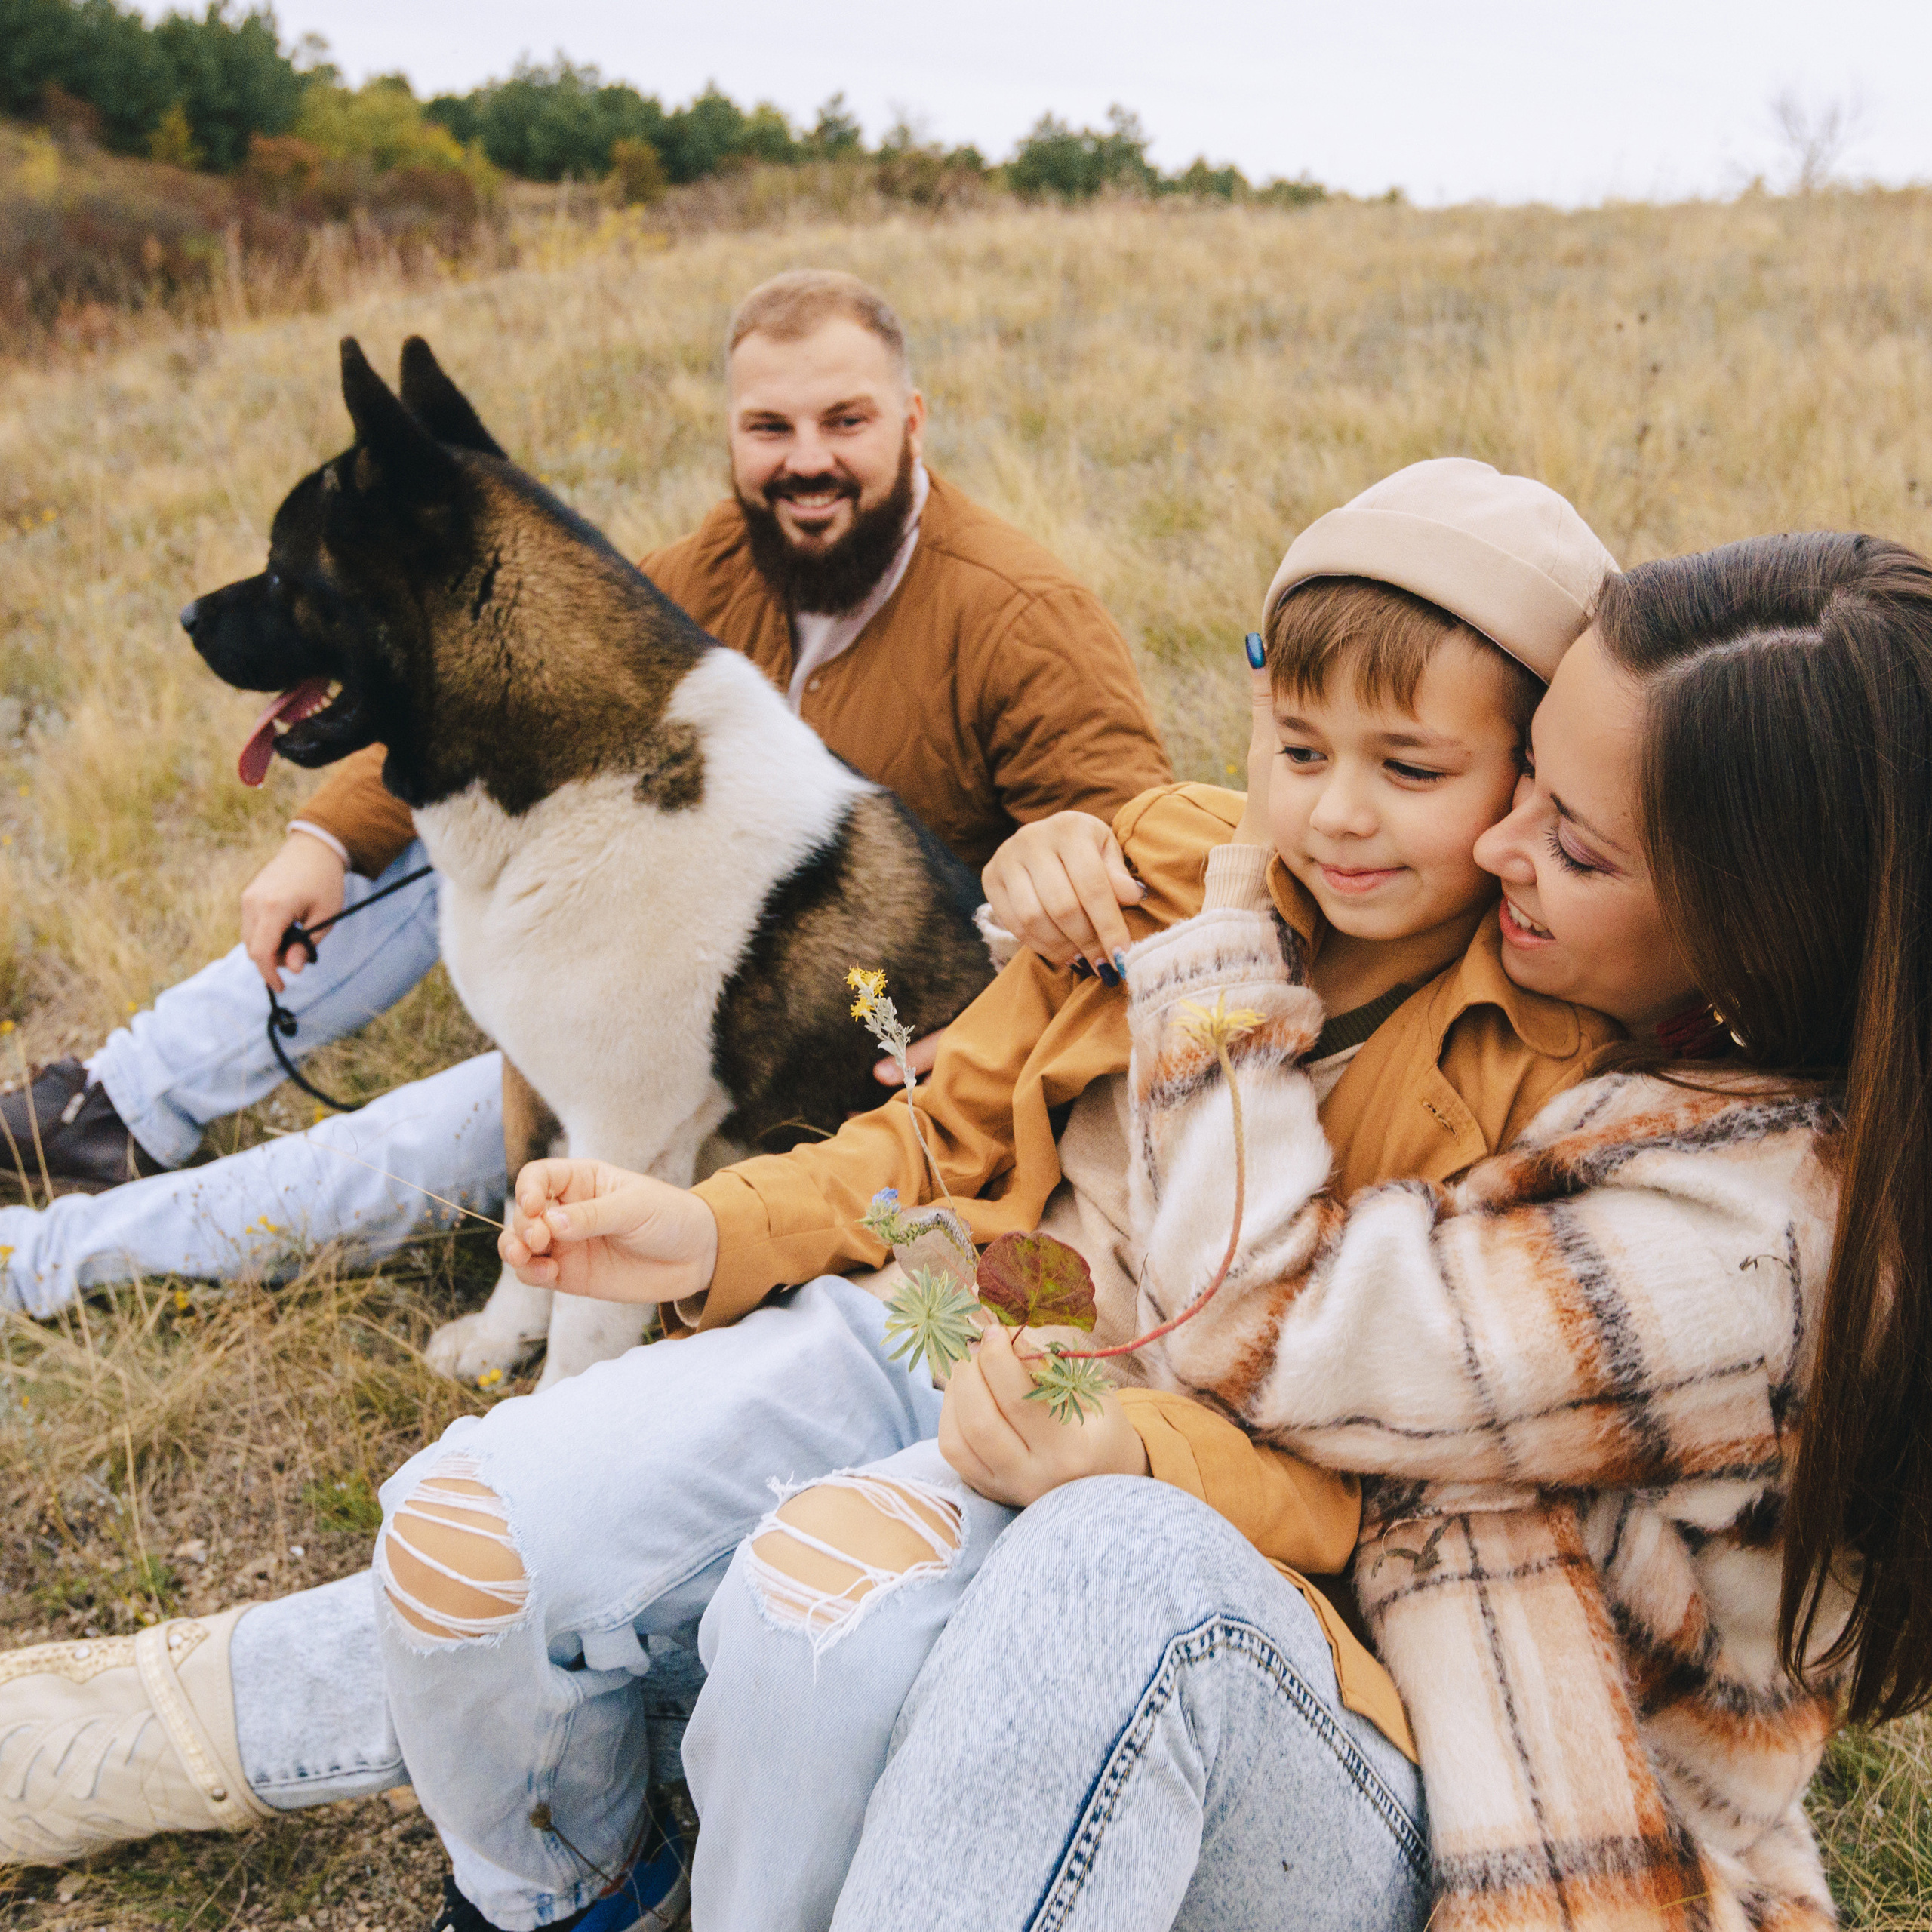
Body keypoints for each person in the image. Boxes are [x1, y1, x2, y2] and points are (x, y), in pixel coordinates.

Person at [0, 461, 1618, 1932]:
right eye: (1299, 748)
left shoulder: (1541, 1075)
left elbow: (1401, 1475)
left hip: (1138, 1476)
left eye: (1411, 767)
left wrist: (1121, 1446)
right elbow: (939, 1136)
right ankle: (576, 1890)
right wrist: (715, 1227)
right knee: (457, 1529)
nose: (1335, 811)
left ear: (1533, 777)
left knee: (808, 1631)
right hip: (950, 1307)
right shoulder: (1172, 854)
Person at [812, 531, 1932, 1932]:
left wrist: (1226, 918)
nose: (1501, 843)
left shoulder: (1755, 1252)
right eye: (1527, 778)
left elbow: (1256, 1318)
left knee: (1118, 1569)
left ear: (1764, 929)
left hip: (1550, 1861)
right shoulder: (1704, 1054)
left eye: (1575, 844)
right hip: (1402, 1701)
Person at [0, 268, 1171, 1315]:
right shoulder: (710, 566)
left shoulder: (1019, 614)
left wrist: (1007, 1035)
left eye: (845, 421)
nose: (805, 459)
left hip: (772, 1054)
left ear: (912, 422)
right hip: (628, 952)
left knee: (400, 1144)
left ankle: (48, 1258)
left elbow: (1150, 862)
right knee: (424, 843)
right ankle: (119, 1102)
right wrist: (325, 836)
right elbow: (478, 690)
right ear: (732, 436)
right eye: (770, 427)